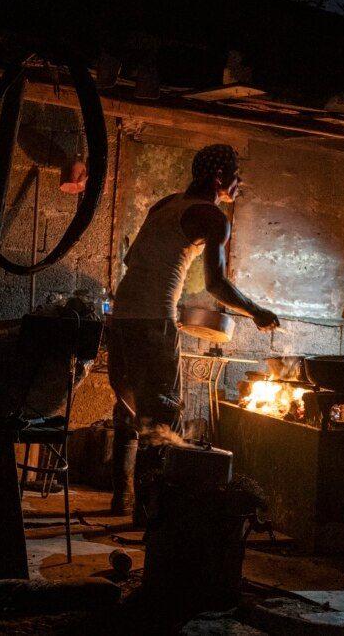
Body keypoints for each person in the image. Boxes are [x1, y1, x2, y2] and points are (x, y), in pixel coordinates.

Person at [106, 143, 280, 518]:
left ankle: (120, 500)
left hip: (121, 318)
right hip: (153, 322)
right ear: (219, 178)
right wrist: (256, 311)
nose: (239, 183)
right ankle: (151, 516)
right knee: (161, 418)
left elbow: (133, 259)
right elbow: (217, 285)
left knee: (128, 411)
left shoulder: (166, 204)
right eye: (235, 175)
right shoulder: (213, 217)